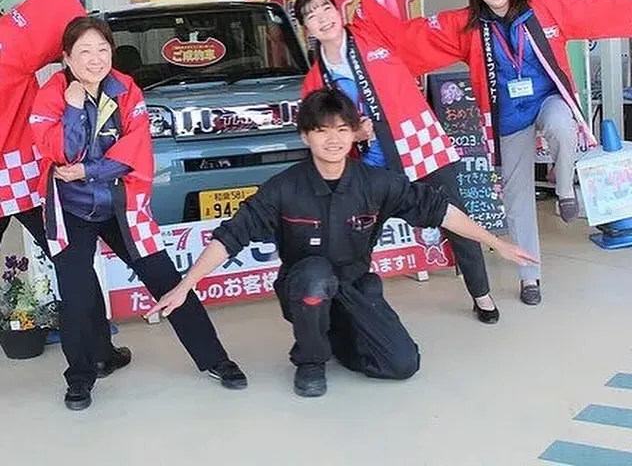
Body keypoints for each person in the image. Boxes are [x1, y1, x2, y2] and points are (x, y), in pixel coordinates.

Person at [144, 89, 538, 398]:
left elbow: (440, 210)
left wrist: (495, 242)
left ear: (355, 133)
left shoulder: (375, 184)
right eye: (322, 130)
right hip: (304, 285)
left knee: (402, 364)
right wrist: (185, 285)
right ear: (306, 135)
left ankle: (334, 337)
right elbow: (231, 237)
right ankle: (310, 359)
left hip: (355, 285)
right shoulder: (284, 188)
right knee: (315, 277)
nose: (332, 139)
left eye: (341, 129)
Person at [357, 0, 632, 306]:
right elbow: (409, 37)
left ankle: (564, 187)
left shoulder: (545, 7)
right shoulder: (467, 25)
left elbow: (599, 3)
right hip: (508, 116)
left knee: (562, 122)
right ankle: (529, 275)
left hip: (548, 101)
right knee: (517, 196)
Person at [29, 16, 247, 411]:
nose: (95, 59)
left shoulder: (126, 89)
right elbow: (60, 152)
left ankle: (215, 359)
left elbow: (134, 152)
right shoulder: (51, 94)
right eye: (84, 52)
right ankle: (81, 376)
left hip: (120, 204)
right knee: (76, 295)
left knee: (164, 277)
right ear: (66, 57)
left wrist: (89, 170)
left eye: (102, 50)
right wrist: (75, 108)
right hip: (71, 209)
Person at [299, 0, 500, 324]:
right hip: (372, 160)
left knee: (456, 220)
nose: (323, 17)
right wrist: (354, 134)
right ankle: (353, 306)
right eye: (312, 15)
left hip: (420, 142)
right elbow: (321, 132)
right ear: (308, 29)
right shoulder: (316, 78)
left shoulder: (372, 31)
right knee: (357, 236)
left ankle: (481, 294)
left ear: (338, 11)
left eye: (326, 8)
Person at [0, 0, 121, 253]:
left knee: (67, 254)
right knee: (67, 256)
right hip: (21, 168)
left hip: (24, 171)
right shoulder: (6, 39)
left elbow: (52, 0)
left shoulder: (6, 39)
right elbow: (55, 0)